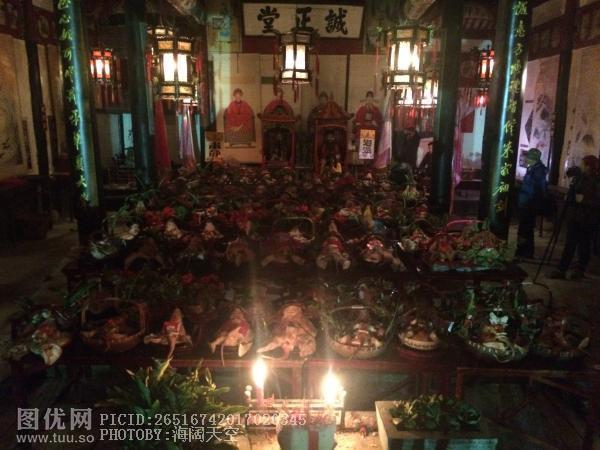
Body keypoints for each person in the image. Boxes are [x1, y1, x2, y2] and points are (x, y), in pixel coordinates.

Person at [547, 155, 600, 279]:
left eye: (583, 164)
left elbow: (597, 201)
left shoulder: (596, 181)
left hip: (587, 219)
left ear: (588, 166)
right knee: (569, 244)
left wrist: (584, 200)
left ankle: (579, 270)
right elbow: (570, 178)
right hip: (575, 217)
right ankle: (562, 269)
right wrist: (570, 197)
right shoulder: (579, 178)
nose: (581, 166)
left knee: (584, 246)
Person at [516, 148, 547, 258]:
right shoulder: (534, 169)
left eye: (528, 157)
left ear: (533, 158)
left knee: (525, 229)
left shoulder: (537, 172)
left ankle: (524, 252)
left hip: (529, 204)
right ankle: (525, 251)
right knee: (525, 229)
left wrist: (528, 202)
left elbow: (535, 189)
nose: (526, 159)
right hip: (527, 203)